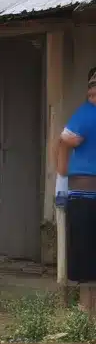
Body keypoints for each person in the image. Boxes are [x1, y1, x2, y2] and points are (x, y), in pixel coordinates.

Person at [56, 66, 96, 310]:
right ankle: (85, 311)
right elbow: (63, 143)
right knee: (85, 257)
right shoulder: (86, 114)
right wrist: (61, 183)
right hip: (85, 197)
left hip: (86, 197)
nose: (94, 89)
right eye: (92, 84)